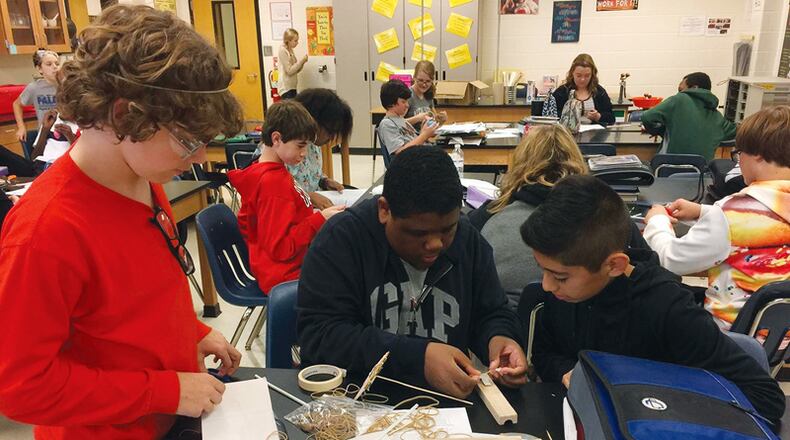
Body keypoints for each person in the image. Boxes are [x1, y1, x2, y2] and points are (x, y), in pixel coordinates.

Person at [0, 6, 244, 437]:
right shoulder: (45, 232)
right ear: (123, 115)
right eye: (188, 142)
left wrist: (192, 332)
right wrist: (165, 391)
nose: (200, 159)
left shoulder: (142, 178)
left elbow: (133, 304)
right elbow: (22, 388)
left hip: (170, 420)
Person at [520, 175, 786, 424]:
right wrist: (568, 372)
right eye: (542, 270)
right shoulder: (562, 292)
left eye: (560, 276)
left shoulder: (668, 310)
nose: (546, 285)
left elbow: (766, 398)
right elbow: (546, 352)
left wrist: (648, 396)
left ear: (614, 265)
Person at [298, 146, 527, 399]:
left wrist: (499, 338)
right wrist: (417, 357)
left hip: (447, 407)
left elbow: (492, 311)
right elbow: (319, 337)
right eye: (418, 233)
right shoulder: (342, 241)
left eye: (447, 229)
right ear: (385, 210)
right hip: (356, 402)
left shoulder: (467, 241)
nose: (436, 244)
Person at [643, 106, 790, 331]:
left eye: (738, 154)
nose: (737, 162)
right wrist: (702, 212)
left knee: (654, 299)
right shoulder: (742, 212)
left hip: (732, 336)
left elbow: (671, 260)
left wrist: (657, 221)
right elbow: (766, 222)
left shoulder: (732, 212)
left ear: (757, 155)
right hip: (780, 338)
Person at [228, 100, 344, 293]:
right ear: (276, 139)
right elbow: (280, 247)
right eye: (300, 146)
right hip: (285, 275)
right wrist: (320, 219)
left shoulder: (275, 172)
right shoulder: (273, 183)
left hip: (288, 265)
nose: (305, 153)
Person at [469, 125, 587, 296]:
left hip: (501, 316)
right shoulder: (600, 215)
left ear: (519, 163)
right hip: (579, 316)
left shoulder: (488, 214)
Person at [641, 72, 737, 160]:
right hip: (701, 175)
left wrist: (661, 131)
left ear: (694, 87)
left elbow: (647, 117)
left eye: (681, 90)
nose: (679, 93)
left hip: (667, 169)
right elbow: (738, 131)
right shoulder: (718, 118)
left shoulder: (679, 99)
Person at [287, 88, 353, 209]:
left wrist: (324, 181)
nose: (331, 138)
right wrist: (308, 196)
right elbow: (276, 192)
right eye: (330, 131)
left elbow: (310, 173)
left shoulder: (313, 143)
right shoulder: (284, 146)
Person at [378, 79, 439, 156]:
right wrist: (424, 135)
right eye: (403, 102)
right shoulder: (387, 124)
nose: (407, 105)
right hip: (413, 164)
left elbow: (413, 141)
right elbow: (401, 153)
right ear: (392, 103)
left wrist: (424, 131)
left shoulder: (401, 120)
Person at [551, 54, 614, 126]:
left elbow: (611, 118)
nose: (582, 79)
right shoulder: (562, 91)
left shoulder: (599, 92)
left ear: (592, 75)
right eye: (578, 75)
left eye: (587, 76)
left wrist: (598, 116)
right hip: (567, 134)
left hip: (594, 134)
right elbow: (552, 115)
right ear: (572, 73)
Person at [12, 49, 59, 143]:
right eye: (49, 64)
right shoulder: (34, 88)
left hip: (66, 133)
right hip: (45, 137)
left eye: (57, 64)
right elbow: (16, 104)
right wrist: (21, 127)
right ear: (39, 69)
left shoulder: (67, 85)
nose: (55, 67)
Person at [405, 61, 447, 131]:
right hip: (412, 139)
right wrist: (417, 118)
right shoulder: (408, 96)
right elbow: (397, 125)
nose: (424, 85)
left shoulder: (429, 95)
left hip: (426, 139)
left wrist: (440, 120)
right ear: (414, 77)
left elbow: (434, 123)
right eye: (420, 80)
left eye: (428, 81)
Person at [279, 28, 308, 100]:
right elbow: (289, 71)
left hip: (292, 86)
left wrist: (303, 62)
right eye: (295, 41)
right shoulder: (282, 50)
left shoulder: (290, 50)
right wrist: (301, 61)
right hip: (286, 88)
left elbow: (296, 70)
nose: (297, 43)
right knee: (290, 110)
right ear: (288, 41)